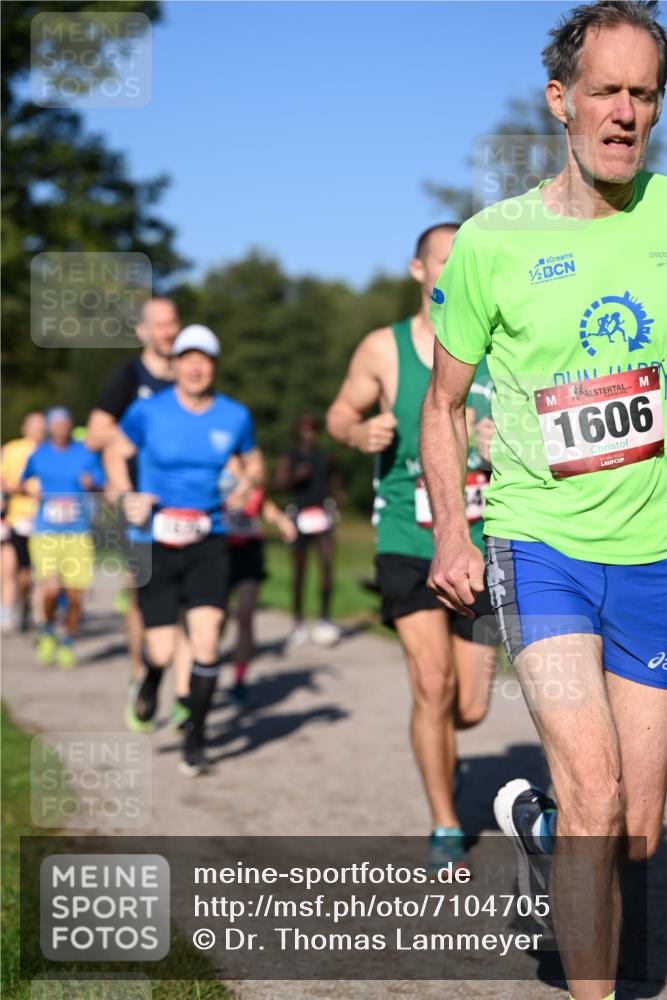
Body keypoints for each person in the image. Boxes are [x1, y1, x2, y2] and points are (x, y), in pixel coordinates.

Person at [421, 3, 666, 997]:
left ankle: (542, 831)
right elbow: (441, 407)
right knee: (596, 788)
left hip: (651, 552)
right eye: (605, 91)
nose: (624, 115)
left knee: (639, 824)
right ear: (560, 101)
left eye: (643, 95)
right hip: (539, 542)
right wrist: (451, 529)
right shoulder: (492, 243)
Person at [326, 224, 498, 869]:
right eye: (443, 261)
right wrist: (360, 430)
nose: (454, 271)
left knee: (471, 706)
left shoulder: (497, 342)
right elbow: (340, 412)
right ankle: (446, 820)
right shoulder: (384, 347)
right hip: (408, 540)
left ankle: (441, 752)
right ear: (418, 270)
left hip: (482, 542)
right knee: (430, 684)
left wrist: (500, 435)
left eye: (464, 262)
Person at [104, 324, 264, 775]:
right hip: (153, 539)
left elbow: (253, 461)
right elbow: (115, 451)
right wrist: (122, 494)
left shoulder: (234, 416)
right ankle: (151, 680)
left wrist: (246, 483)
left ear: (213, 366)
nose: (195, 366)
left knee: (208, 641)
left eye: (205, 358)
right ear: (174, 363)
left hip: (208, 538)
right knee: (159, 649)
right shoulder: (146, 411)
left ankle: (196, 734)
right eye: (187, 357)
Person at [85, 297, 190, 728]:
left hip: (185, 502)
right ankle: (140, 676)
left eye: (173, 324)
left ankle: (184, 689)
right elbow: (94, 436)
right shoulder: (131, 378)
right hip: (139, 504)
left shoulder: (192, 375)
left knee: (188, 597)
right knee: (142, 595)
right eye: (159, 325)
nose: (168, 332)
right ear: (142, 332)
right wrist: (149, 429)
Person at [20, 408, 104, 667]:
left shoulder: (85, 454)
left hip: (77, 533)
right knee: (51, 589)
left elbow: (102, 484)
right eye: (56, 424)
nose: (61, 428)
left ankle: (67, 640)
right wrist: (29, 492)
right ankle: (47, 631)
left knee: (75, 595)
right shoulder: (39, 454)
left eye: (65, 423)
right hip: (46, 531)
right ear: (49, 427)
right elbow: (21, 482)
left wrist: (91, 485)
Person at [224, 456, 297, 702]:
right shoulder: (213, 479)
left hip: (249, 552)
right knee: (216, 620)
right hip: (218, 553)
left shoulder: (253, 482)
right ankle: (204, 670)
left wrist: (282, 522)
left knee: (246, 615)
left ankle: (239, 679)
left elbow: (265, 506)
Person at [274, 414, 343, 647]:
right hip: (299, 517)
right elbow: (278, 485)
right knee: (300, 572)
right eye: (304, 429)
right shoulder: (290, 457)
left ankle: (324, 619)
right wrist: (296, 477)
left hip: (322, 516)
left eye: (312, 429)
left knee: (326, 567)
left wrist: (339, 495)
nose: (308, 434)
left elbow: (335, 479)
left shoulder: (326, 456)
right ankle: (298, 622)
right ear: (298, 432)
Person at [0, 412, 46, 633]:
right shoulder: (12, 449)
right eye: (35, 425)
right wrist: (23, 490)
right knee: (10, 569)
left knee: (39, 572)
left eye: (42, 425)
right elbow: (4, 481)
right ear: (24, 428)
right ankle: (7, 610)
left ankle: (38, 613)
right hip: (15, 518)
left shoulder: (51, 450)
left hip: (44, 520)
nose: (39, 429)